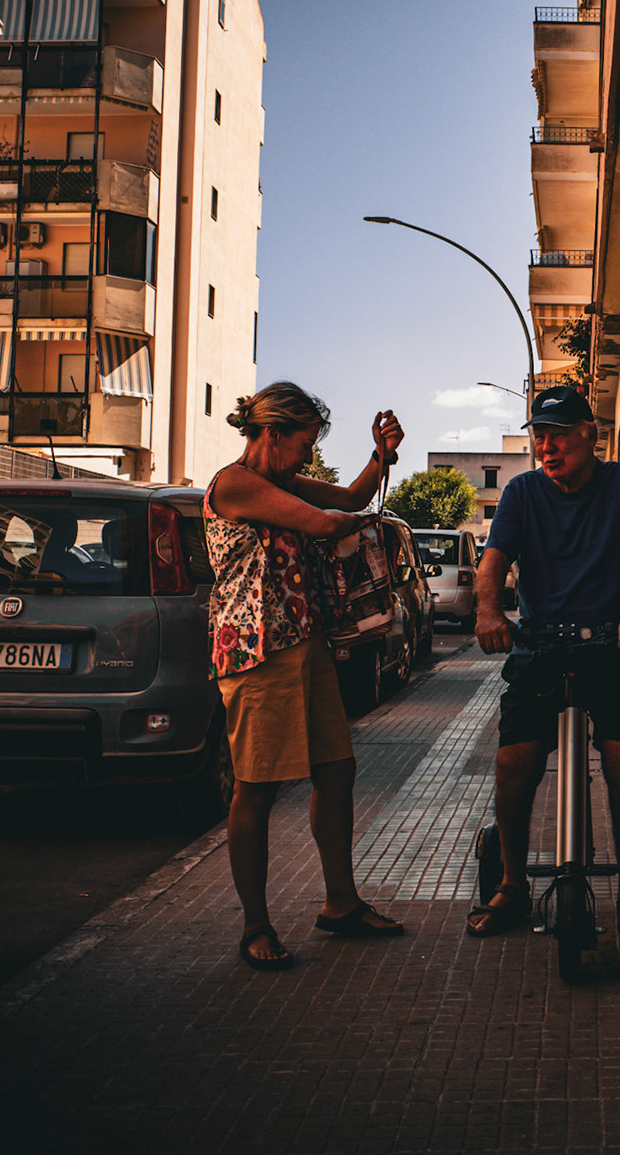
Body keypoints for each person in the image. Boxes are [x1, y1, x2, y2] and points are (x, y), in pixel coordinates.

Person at [205, 382, 407, 970]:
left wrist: (381, 457)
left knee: (336, 771)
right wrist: (370, 526)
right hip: (256, 653)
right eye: (303, 444)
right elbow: (325, 523)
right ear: (270, 434)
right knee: (257, 788)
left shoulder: (281, 482)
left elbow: (345, 498)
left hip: (304, 642)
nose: (307, 456)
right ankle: (254, 925)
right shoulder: (235, 484)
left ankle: (340, 904)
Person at [469, 384, 620, 948]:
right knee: (514, 762)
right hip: (540, 647)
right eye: (539, 434)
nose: (547, 445)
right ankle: (511, 886)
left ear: (590, 433)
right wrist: (489, 612)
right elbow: (493, 562)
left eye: (558, 433)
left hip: (615, 644)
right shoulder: (522, 493)